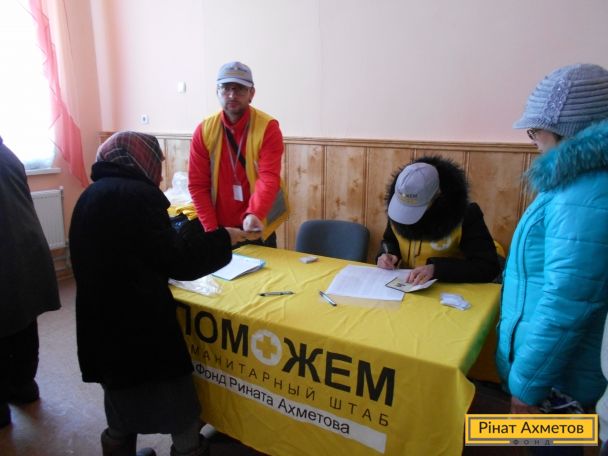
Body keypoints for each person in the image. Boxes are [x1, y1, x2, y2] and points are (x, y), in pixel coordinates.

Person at [69, 132, 245, 456]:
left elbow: (134, 249)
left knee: (120, 404)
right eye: (158, 163)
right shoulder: (139, 196)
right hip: (142, 329)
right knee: (178, 408)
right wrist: (224, 239)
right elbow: (179, 262)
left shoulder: (91, 194)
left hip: (102, 326)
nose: (161, 174)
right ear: (142, 161)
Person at [496, 64, 608, 426]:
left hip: (559, 375)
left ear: (565, 130)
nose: (533, 140)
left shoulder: (583, 191)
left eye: (535, 130)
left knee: (547, 441)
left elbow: (566, 303)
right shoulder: (578, 182)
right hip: (558, 364)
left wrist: (526, 384)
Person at [188, 61, 288, 248]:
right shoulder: (204, 130)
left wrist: (255, 213)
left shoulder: (268, 128)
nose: (232, 95)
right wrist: (213, 231)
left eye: (240, 89)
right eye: (226, 88)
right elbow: (197, 185)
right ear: (217, 92)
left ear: (251, 94)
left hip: (256, 224)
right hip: (220, 228)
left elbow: (268, 177)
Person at [0, 137, 61, 428]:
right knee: (23, 321)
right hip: (27, 248)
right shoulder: (7, 153)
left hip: (6, 253)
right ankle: (24, 386)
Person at [376, 155, 500, 284]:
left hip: (448, 290)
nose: (406, 213)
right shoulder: (397, 210)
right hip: (403, 287)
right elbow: (390, 240)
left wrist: (437, 270)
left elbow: (487, 267)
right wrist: (387, 254)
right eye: (403, 206)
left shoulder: (466, 215)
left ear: (437, 196)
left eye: (415, 207)